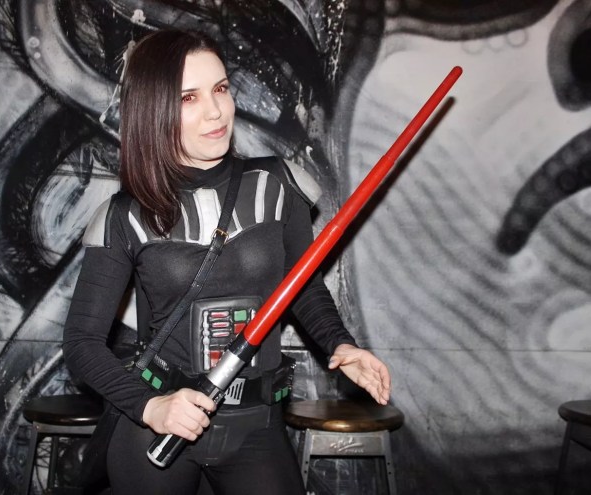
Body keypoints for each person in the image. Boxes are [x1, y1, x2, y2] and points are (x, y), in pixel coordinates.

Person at [62, 28, 391, 495]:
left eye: (220, 88)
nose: (216, 110)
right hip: (161, 429)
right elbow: (82, 342)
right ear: (154, 110)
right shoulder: (125, 216)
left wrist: (341, 344)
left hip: (255, 426)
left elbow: (302, 286)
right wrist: (151, 407)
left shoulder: (279, 186)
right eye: (189, 98)